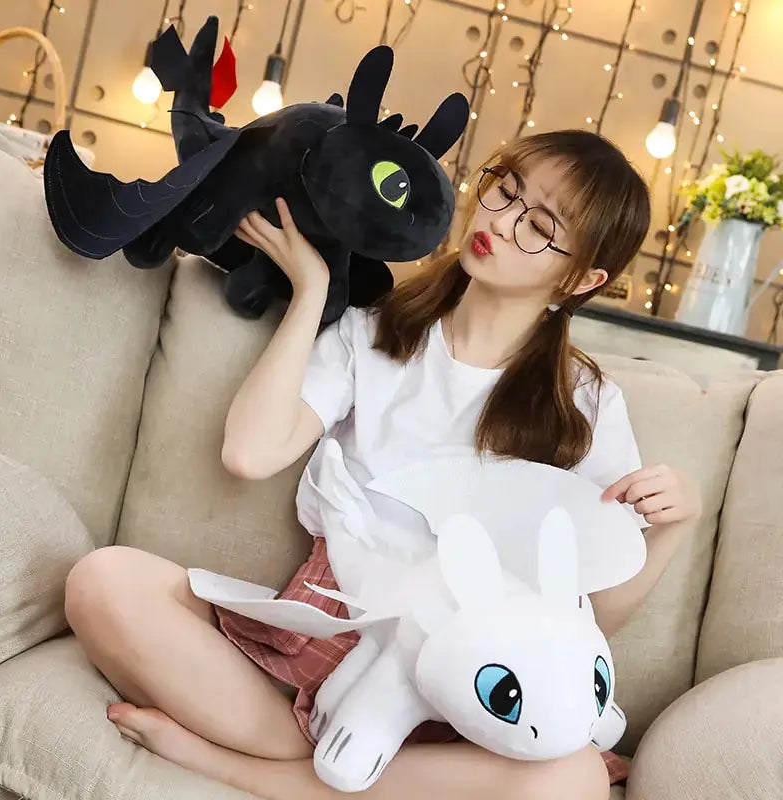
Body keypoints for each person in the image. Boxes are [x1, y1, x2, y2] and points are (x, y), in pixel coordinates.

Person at [64, 130, 702, 800]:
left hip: (477, 679)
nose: (500, 221)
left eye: (539, 227)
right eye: (506, 190)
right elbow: (249, 452)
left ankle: (245, 772)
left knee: (573, 780)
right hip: (333, 631)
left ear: (580, 280)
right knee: (102, 582)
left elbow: (593, 612)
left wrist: (671, 528)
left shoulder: (584, 404)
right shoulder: (374, 334)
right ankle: (331, 767)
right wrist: (310, 294)